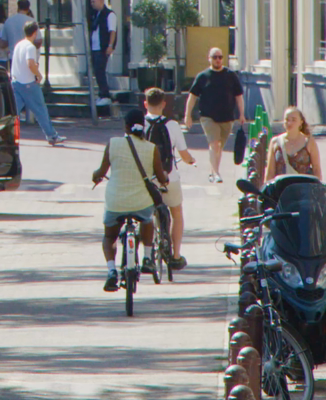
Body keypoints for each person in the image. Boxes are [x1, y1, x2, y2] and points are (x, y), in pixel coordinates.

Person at [92, 106, 167, 291]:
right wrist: (165, 179)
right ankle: (147, 257)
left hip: (115, 202)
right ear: (143, 127)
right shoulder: (151, 148)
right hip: (141, 203)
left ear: (125, 126)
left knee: (109, 236)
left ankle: (111, 270)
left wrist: (96, 176)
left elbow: (101, 171)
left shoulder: (113, 143)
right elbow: (161, 177)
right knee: (147, 219)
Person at [143, 87, 194, 268]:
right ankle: (176, 255)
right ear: (164, 104)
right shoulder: (172, 125)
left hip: (146, 180)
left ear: (145, 104)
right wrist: (191, 160)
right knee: (176, 212)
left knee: (144, 214)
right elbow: (183, 154)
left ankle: (147, 254)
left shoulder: (139, 124)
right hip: (169, 177)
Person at [183, 47, 244, 183]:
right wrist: (187, 115)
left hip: (227, 117)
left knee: (219, 147)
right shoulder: (203, 76)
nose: (218, 60)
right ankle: (216, 173)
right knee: (214, 144)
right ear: (209, 59)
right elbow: (192, 97)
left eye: (220, 57)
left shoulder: (231, 75)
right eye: (215, 57)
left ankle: (213, 171)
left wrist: (242, 114)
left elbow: (239, 96)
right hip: (208, 116)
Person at [9, 21, 64, 145]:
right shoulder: (30, 47)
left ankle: (6, 135)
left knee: (13, 112)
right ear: (35, 32)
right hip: (28, 83)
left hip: (16, 82)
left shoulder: (18, 45)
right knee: (40, 110)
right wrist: (38, 74)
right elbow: (30, 63)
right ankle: (52, 135)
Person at [265, 106, 323, 181]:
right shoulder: (275, 142)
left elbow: (316, 169)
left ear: (301, 122)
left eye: (293, 120)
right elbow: (270, 172)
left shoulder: (308, 142)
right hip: (282, 187)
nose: (289, 123)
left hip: (302, 186)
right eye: (287, 119)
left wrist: (317, 186)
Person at [88, 0, 117, 117]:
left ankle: (105, 94)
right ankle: (101, 93)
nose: (92, 4)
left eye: (94, 1)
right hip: (95, 47)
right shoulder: (96, 15)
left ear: (101, 0)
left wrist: (110, 45)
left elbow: (112, 31)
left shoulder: (109, 15)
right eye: (91, 2)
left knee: (100, 70)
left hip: (102, 47)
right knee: (97, 70)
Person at [0, 0, 33, 65]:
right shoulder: (32, 21)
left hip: (13, 56)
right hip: (28, 57)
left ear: (18, 8)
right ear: (28, 9)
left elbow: (3, 43)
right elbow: (38, 41)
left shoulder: (8, 21)